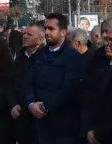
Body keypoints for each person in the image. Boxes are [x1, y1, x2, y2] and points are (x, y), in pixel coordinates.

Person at [26, 13, 87, 144]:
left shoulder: (73, 58)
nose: (47, 32)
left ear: (63, 32)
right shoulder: (40, 55)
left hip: (64, 128)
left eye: (51, 29)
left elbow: (69, 89)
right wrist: (30, 104)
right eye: (45, 28)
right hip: (42, 126)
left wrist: (44, 106)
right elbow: (30, 82)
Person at [10, 24, 45, 144]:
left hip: (37, 117)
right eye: (24, 33)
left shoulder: (44, 57)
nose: (25, 36)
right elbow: (12, 83)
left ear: (40, 39)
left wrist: (28, 107)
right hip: (19, 116)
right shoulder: (20, 56)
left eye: (29, 34)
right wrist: (13, 104)